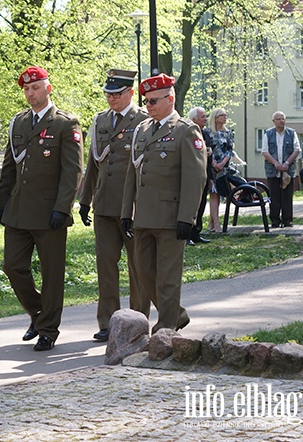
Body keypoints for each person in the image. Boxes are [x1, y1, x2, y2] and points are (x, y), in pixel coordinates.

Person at [0, 66, 83, 352]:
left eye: (35, 88)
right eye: (26, 89)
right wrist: (2, 204)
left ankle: (48, 329)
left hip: (50, 213)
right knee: (12, 266)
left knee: (52, 273)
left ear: (48, 88)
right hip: (19, 210)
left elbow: (72, 171)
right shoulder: (18, 123)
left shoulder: (65, 123)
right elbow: (9, 168)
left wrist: (63, 208)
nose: (30, 93)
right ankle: (37, 312)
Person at [121, 74, 207, 332]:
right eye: (146, 101)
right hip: (144, 216)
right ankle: (177, 314)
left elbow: (195, 178)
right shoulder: (143, 130)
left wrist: (187, 218)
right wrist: (127, 212)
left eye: (154, 101)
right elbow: (132, 175)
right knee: (144, 274)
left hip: (170, 217)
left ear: (170, 99)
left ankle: (167, 327)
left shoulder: (185, 130)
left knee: (168, 277)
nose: (148, 106)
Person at [77, 69, 149, 343]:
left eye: (116, 94)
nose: (111, 98)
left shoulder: (143, 119)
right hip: (105, 203)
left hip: (133, 206)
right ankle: (107, 321)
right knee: (106, 264)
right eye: (108, 93)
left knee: (137, 267)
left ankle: (137, 321)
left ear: (130, 92)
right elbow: (94, 163)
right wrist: (85, 200)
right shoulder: (100, 121)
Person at [262, 111, 301, 228]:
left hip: (288, 171)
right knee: (274, 196)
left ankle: (287, 220)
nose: (281, 121)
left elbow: (297, 149)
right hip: (272, 170)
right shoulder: (268, 133)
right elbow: (264, 151)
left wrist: (287, 163)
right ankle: (275, 220)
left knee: (287, 196)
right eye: (278, 119)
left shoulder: (291, 133)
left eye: (283, 119)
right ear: (273, 121)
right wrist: (276, 163)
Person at [187, 107, 213, 245]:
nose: (205, 119)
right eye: (202, 116)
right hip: (191, 176)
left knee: (202, 204)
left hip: (204, 174)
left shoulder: (206, 133)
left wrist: (211, 177)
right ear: (194, 119)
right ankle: (187, 235)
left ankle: (196, 233)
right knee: (191, 206)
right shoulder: (187, 133)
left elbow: (210, 154)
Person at [207, 107, 234, 230]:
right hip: (211, 167)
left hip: (223, 168)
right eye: (222, 115)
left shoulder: (228, 133)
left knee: (220, 193)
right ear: (215, 117)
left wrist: (223, 163)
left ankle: (212, 222)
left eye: (225, 115)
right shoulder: (207, 132)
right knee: (213, 194)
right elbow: (206, 148)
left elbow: (230, 150)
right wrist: (212, 162)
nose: (225, 117)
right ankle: (216, 223)